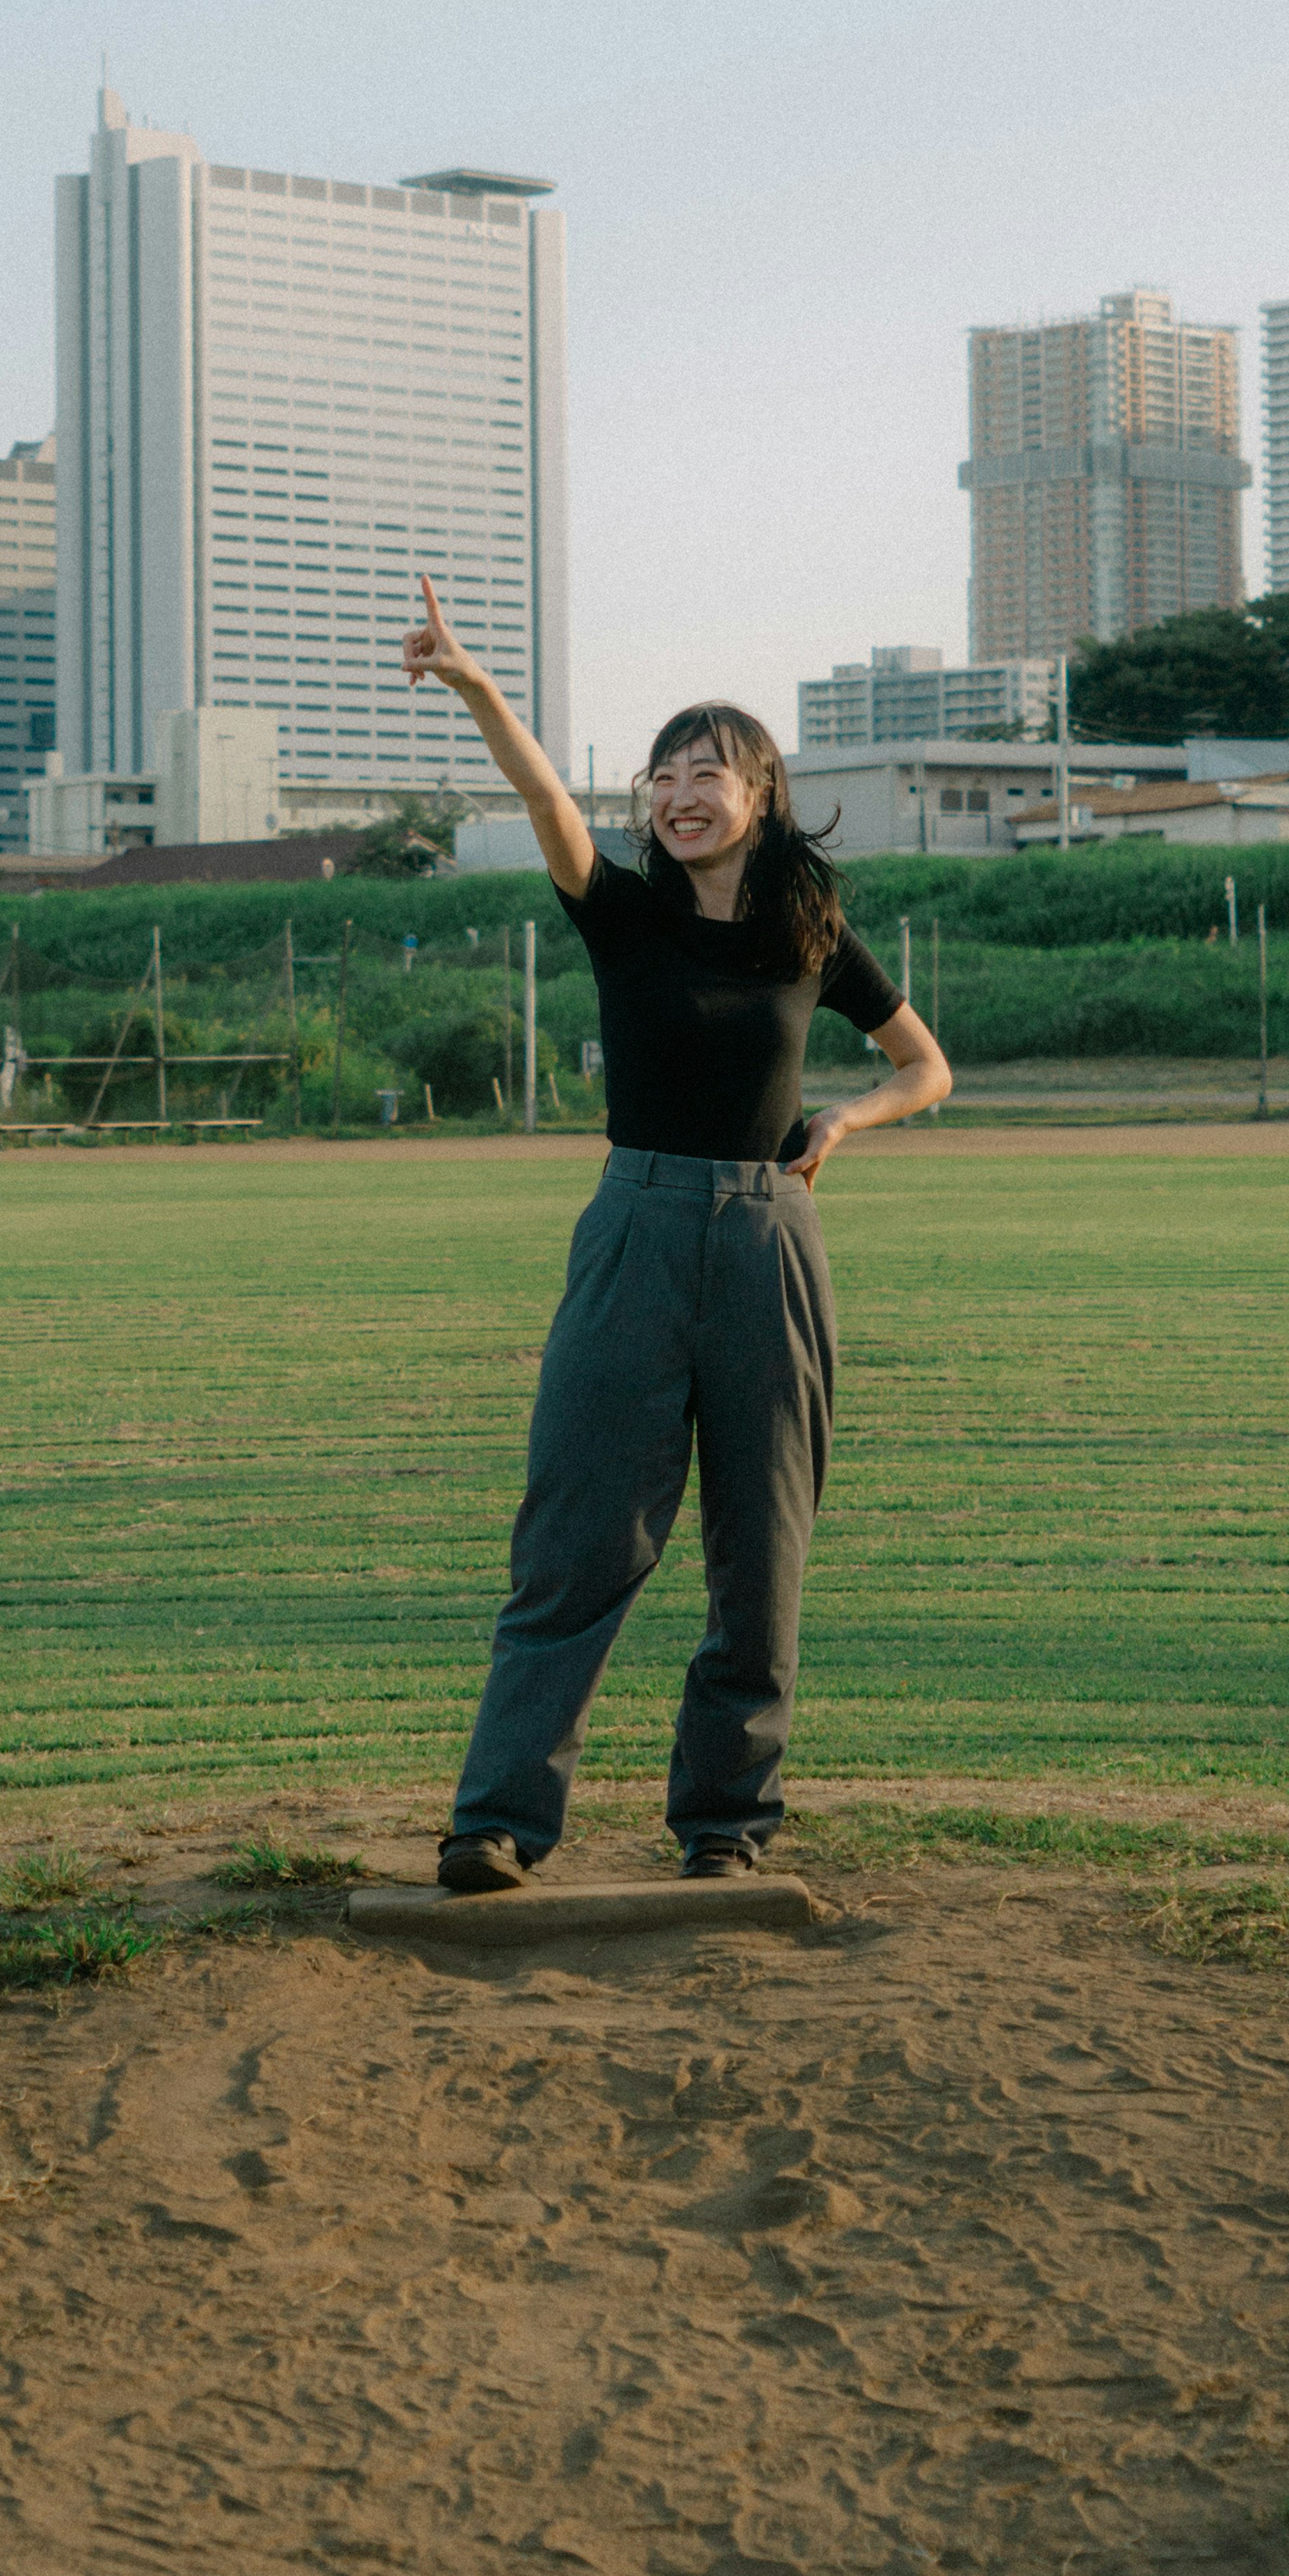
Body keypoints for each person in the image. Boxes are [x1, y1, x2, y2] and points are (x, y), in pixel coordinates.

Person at [400, 572, 952, 1893]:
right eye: (661, 777)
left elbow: (926, 1065)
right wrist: (477, 684)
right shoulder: (624, 912)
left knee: (761, 1549)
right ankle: (500, 1822)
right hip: (635, 1228)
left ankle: (725, 1825)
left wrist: (848, 1121)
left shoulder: (811, 934)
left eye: (706, 773)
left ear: (757, 794)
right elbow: (542, 798)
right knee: (580, 1532)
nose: (678, 795)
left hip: (771, 1244)